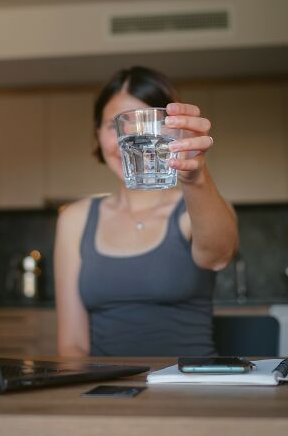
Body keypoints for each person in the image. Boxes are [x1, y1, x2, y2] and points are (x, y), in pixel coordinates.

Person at [54, 66, 239, 357]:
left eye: (147, 125)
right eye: (115, 125)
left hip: (191, 388)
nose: (132, 138)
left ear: (174, 132)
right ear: (97, 136)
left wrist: (195, 178)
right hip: (109, 392)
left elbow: (218, 256)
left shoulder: (197, 205)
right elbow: (72, 344)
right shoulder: (74, 219)